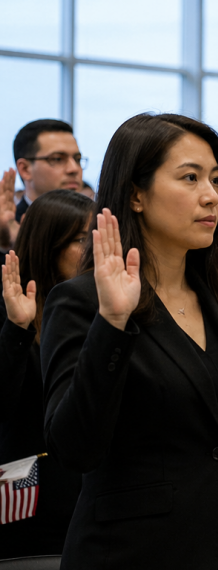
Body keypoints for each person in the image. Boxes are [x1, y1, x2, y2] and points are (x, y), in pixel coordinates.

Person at [39, 113, 218, 568]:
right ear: (136, 194)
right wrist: (113, 323)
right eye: (190, 178)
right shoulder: (83, 302)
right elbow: (74, 447)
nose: (211, 196)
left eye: (216, 180)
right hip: (129, 551)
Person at [0, 190, 92, 557]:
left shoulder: (106, 306)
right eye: (84, 239)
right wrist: (17, 331)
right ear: (49, 244)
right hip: (29, 500)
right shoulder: (12, 305)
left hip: (91, 496)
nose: (95, 250)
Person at [12, 119, 85, 223]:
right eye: (57, 159)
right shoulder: (9, 229)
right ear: (25, 169)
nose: (74, 169)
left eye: (77, 159)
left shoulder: (95, 223)